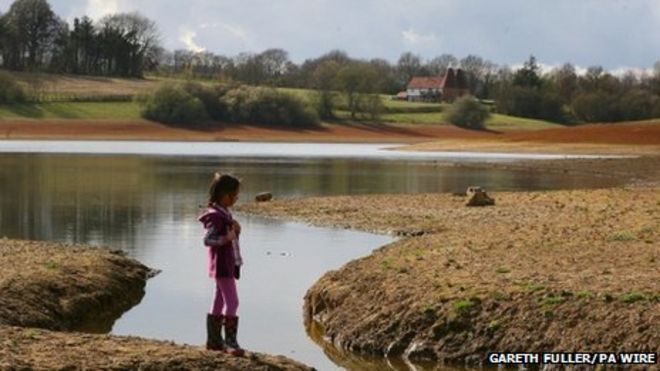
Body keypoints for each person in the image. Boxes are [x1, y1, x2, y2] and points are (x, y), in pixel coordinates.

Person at [198, 172, 245, 356]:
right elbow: (208, 240)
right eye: (235, 195)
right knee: (233, 302)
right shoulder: (216, 216)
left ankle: (214, 341)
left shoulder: (224, 213)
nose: (236, 198)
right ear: (226, 195)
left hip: (225, 264)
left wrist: (235, 231)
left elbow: (228, 237)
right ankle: (230, 343)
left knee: (218, 301)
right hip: (222, 266)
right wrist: (227, 237)